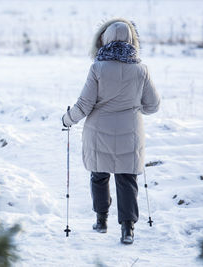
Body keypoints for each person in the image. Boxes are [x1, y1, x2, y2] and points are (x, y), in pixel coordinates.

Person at [62, 18, 160, 244]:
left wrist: (67, 119)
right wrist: (134, 108)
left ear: (104, 39)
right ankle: (128, 229)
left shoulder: (97, 68)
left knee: (99, 174)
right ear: (130, 39)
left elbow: (84, 105)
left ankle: (101, 220)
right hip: (130, 133)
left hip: (99, 131)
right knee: (127, 178)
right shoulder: (141, 70)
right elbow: (153, 105)